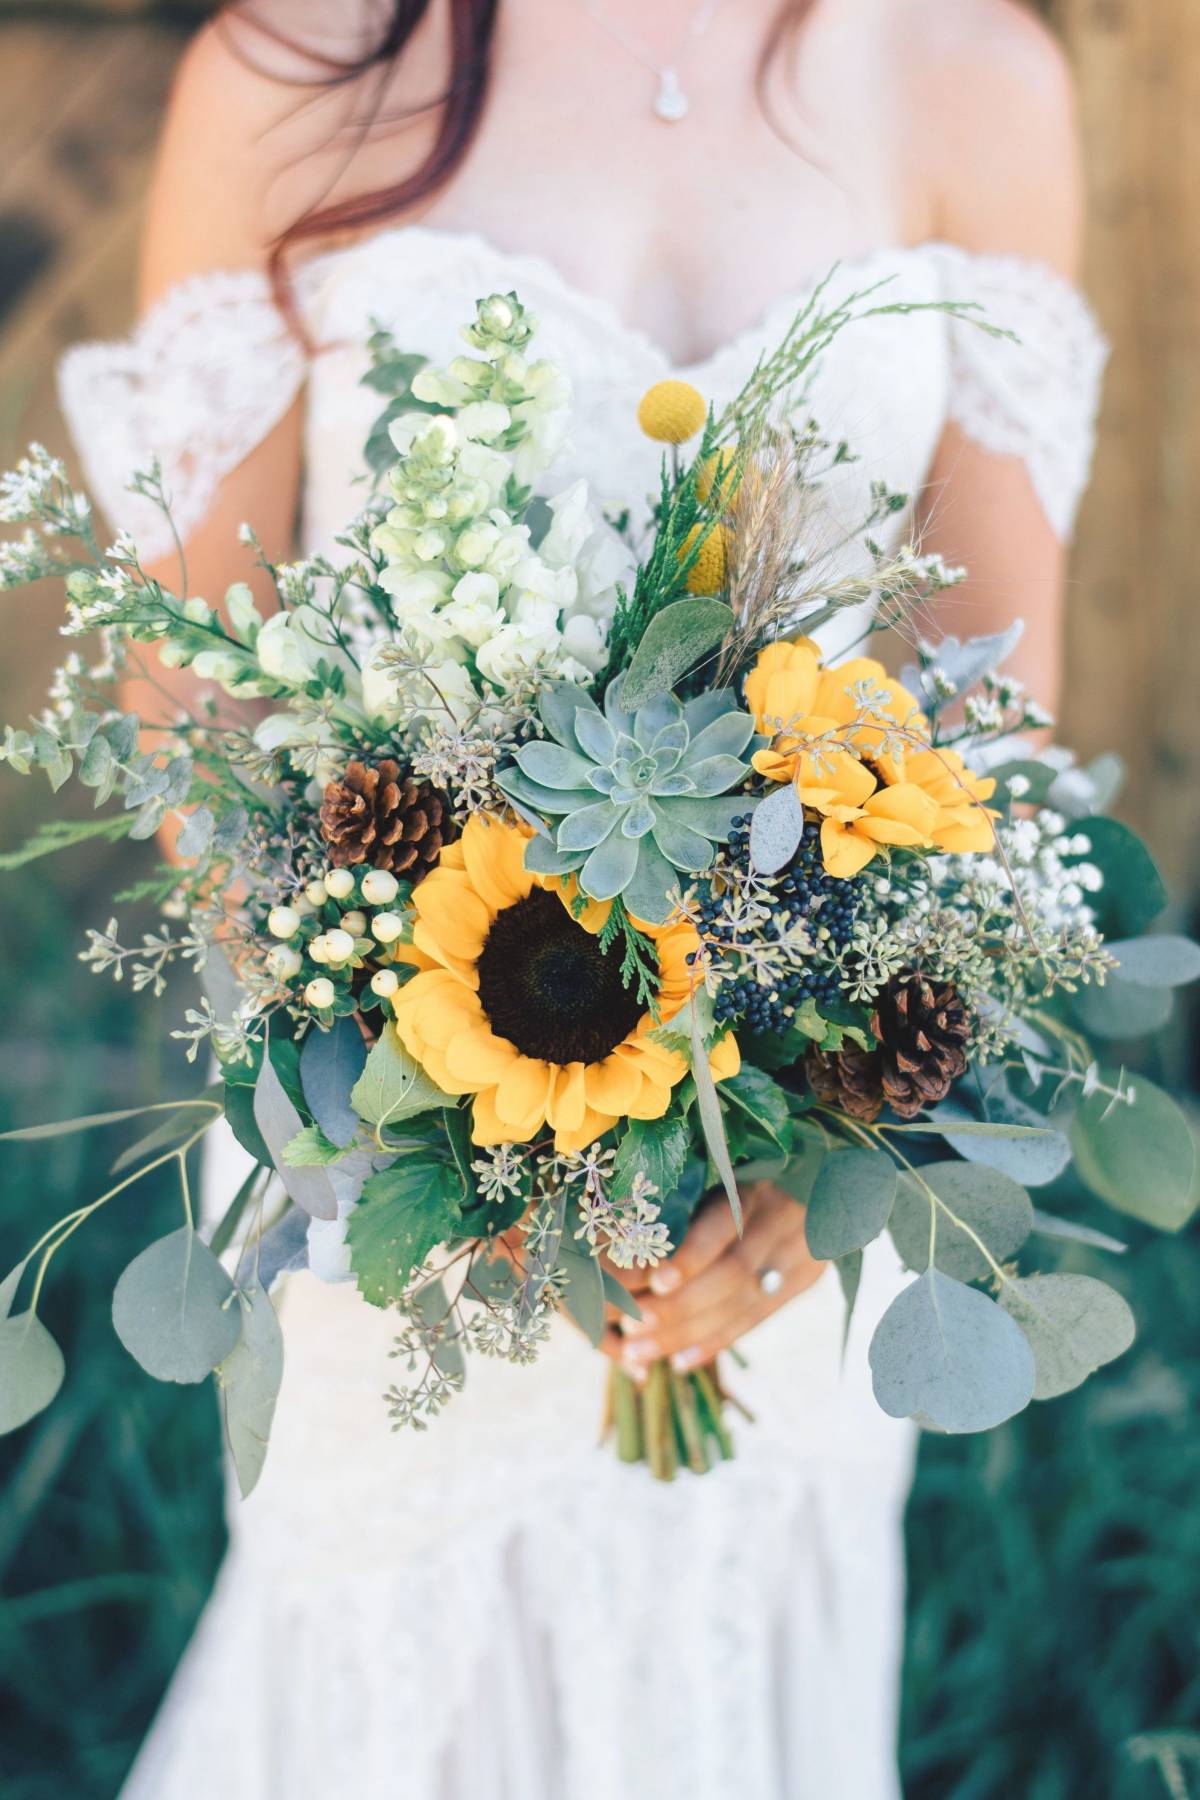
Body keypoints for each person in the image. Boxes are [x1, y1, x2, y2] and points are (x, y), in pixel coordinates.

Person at [57, 2, 1107, 1793]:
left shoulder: (970, 76)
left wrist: (833, 1157)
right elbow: (197, 707)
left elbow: (990, 733)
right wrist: (468, 1142)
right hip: (392, 1154)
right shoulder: (302, 65)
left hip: (766, 1184)